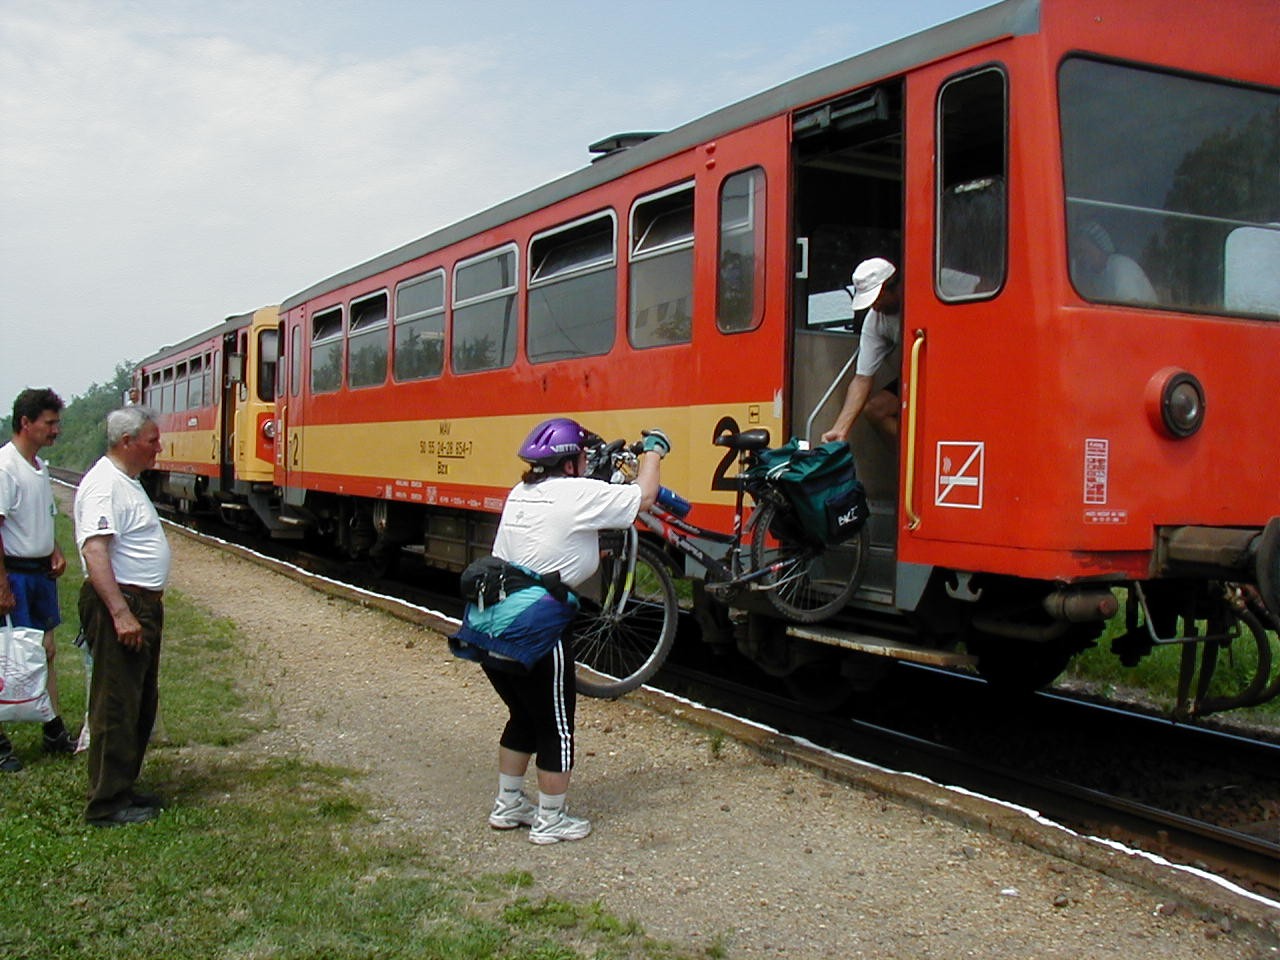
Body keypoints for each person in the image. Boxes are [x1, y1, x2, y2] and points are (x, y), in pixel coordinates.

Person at [458, 418, 666, 844]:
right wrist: (654, 452)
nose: (587, 462)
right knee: (557, 725)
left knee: (523, 716)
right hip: (537, 628)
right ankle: (551, 821)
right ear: (570, 463)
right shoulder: (577, 493)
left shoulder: (522, 492)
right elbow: (645, 496)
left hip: (488, 624)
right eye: (583, 456)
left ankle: (508, 804)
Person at [73, 406, 170, 826]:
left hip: (139, 604)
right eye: (152, 441)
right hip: (123, 604)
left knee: (138, 701)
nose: (159, 448)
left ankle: (122, 787)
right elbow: (95, 551)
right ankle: (107, 804)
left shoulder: (126, 482)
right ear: (127, 442)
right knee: (116, 703)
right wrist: (120, 613)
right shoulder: (104, 485)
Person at [0, 388, 75, 770]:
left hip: (40, 573)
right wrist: (1, 584)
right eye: (50, 423)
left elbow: (40, 517)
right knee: (6, 657)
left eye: (57, 423)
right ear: (26, 423)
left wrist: (54, 549)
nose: (55, 430)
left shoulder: (38, 467)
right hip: (15, 574)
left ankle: (53, 729)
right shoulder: (5, 467)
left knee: (45, 650)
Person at [822, 257, 903, 443]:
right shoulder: (874, 320)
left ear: (893, 287)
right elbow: (862, 379)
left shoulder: (922, 297)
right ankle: (916, 459)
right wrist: (840, 429)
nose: (874, 306)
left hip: (951, 368)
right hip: (915, 377)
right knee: (876, 410)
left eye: (877, 298)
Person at [1072, 220, 1157, 304]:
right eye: (1077, 252)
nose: (1080, 257)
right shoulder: (1097, 277)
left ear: (1099, 246)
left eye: (1083, 250)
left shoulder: (1122, 267)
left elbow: (1130, 306)